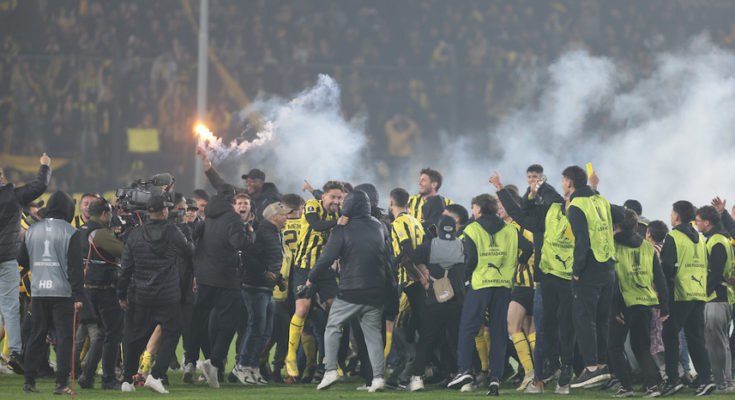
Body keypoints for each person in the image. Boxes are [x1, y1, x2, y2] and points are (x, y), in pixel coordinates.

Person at [447, 194, 532, 396]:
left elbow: (470, 259)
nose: (473, 211)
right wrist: (519, 262)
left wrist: (468, 278)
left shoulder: (472, 229)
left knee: (468, 328)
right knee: (499, 333)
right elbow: (528, 247)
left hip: (480, 284)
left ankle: (464, 370)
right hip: (503, 285)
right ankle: (495, 379)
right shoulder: (510, 229)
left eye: (474, 207)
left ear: (479, 209)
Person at [309, 190, 393, 393]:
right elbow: (388, 259)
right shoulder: (380, 225)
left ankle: (330, 371)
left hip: (352, 290)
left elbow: (327, 258)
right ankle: (378, 378)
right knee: (373, 336)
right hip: (377, 290)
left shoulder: (342, 229)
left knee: (333, 327)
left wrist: (311, 279)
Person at [118, 195, 193, 394]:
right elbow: (189, 253)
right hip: (167, 294)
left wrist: (121, 293)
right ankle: (156, 375)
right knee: (171, 333)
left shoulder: (135, 234)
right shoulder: (173, 232)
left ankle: (127, 380)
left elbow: (125, 268)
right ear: (164, 211)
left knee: (134, 337)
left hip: (141, 294)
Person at [187, 184, 253, 388]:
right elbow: (238, 243)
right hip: (225, 278)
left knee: (198, 320)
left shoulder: (207, 216)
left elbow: (195, 238)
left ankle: (190, 360)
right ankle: (214, 363)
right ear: (232, 200)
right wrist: (250, 234)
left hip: (205, 276)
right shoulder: (233, 218)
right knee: (228, 323)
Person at [18, 190, 83, 394]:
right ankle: (61, 383)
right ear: (68, 210)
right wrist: (79, 295)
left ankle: (29, 381)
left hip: (38, 293)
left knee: (36, 337)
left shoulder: (32, 230)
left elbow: (22, 260)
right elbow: (75, 268)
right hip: (62, 294)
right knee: (64, 339)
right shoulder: (71, 232)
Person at [564, 165, 619, 389]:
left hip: (590, 268)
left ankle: (592, 368)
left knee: (584, 317)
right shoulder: (600, 200)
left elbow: (582, 241)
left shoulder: (576, 205)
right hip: (609, 266)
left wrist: (577, 270)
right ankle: (603, 366)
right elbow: (621, 215)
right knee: (602, 318)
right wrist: (596, 189)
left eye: (563, 180)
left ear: (569, 182)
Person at [285, 181, 345, 380]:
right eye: (332, 197)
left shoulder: (339, 213)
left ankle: (331, 358)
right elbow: (316, 225)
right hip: (303, 267)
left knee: (337, 310)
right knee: (302, 309)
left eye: (339, 198)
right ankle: (290, 356)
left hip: (325, 270)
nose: (336, 201)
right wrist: (338, 222)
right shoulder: (313, 206)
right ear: (323, 197)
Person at [608, 209, 669, 398]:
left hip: (623, 302)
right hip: (645, 301)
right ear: (636, 226)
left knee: (614, 346)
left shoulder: (611, 245)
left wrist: (615, 307)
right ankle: (652, 386)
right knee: (641, 346)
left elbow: (613, 279)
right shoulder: (646, 246)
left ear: (615, 224)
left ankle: (626, 387)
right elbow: (660, 279)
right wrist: (664, 305)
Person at [0, 152, 51, 374]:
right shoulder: (12, 196)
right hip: (7, 259)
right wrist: (45, 165)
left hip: (8, 260)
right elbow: (40, 185)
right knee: (10, 308)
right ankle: (14, 351)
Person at [659, 200, 715, 396]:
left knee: (670, 335)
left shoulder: (673, 237)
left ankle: (673, 380)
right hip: (699, 293)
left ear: (677, 216)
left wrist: (661, 298)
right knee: (695, 337)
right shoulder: (701, 239)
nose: (670, 215)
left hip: (679, 293)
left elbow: (666, 269)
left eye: (672, 212)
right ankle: (706, 378)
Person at [232, 202, 289, 385]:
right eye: (284, 214)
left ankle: (253, 366)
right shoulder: (263, 231)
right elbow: (248, 256)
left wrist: (279, 280)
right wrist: (263, 272)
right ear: (274, 217)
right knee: (257, 329)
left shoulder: (274, 232)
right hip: (255, 287)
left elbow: (272, 259)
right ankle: (242, 366)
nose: (287, 217)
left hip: (267, 288)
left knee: (265, 332)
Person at [407, 215, 466, 392]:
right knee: (458, 341)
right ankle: (463, 376)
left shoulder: (429, 246)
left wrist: (422, 273)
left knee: (426, 340)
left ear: (438, 230)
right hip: (457, 301)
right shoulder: (463, 245)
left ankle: (417, 378)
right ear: (455, 229)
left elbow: (409, 257)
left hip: (434, 301)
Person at [77, 198, 124, 390]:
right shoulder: (101, 233)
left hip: (86, 288)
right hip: (103, 288)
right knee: (112, 334)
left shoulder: (80, 230)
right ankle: (108, 379)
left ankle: (87, 376)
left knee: (102, 334)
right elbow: (123, 252)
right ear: (104, 214)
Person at [386, 187, 427, 388]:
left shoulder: (399, 223)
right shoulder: (416, 222)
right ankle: (403, 375)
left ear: (390, 202)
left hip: (408, 284)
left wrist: (418, 277)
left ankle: (404, 376)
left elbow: (405, 253)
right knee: (412, 328)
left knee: (401, 328)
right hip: (418, 282)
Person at [695, 205, 734, 393]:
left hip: (716, 297)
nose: (696, 224)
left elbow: (717, 272)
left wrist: (702, 292)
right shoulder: (718, 238)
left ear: (707, 222)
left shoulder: (716, 241)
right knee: (720, 342)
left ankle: (724, 383)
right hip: (720, 296)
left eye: (698, 221)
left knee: (717, 343)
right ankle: (725, 382)